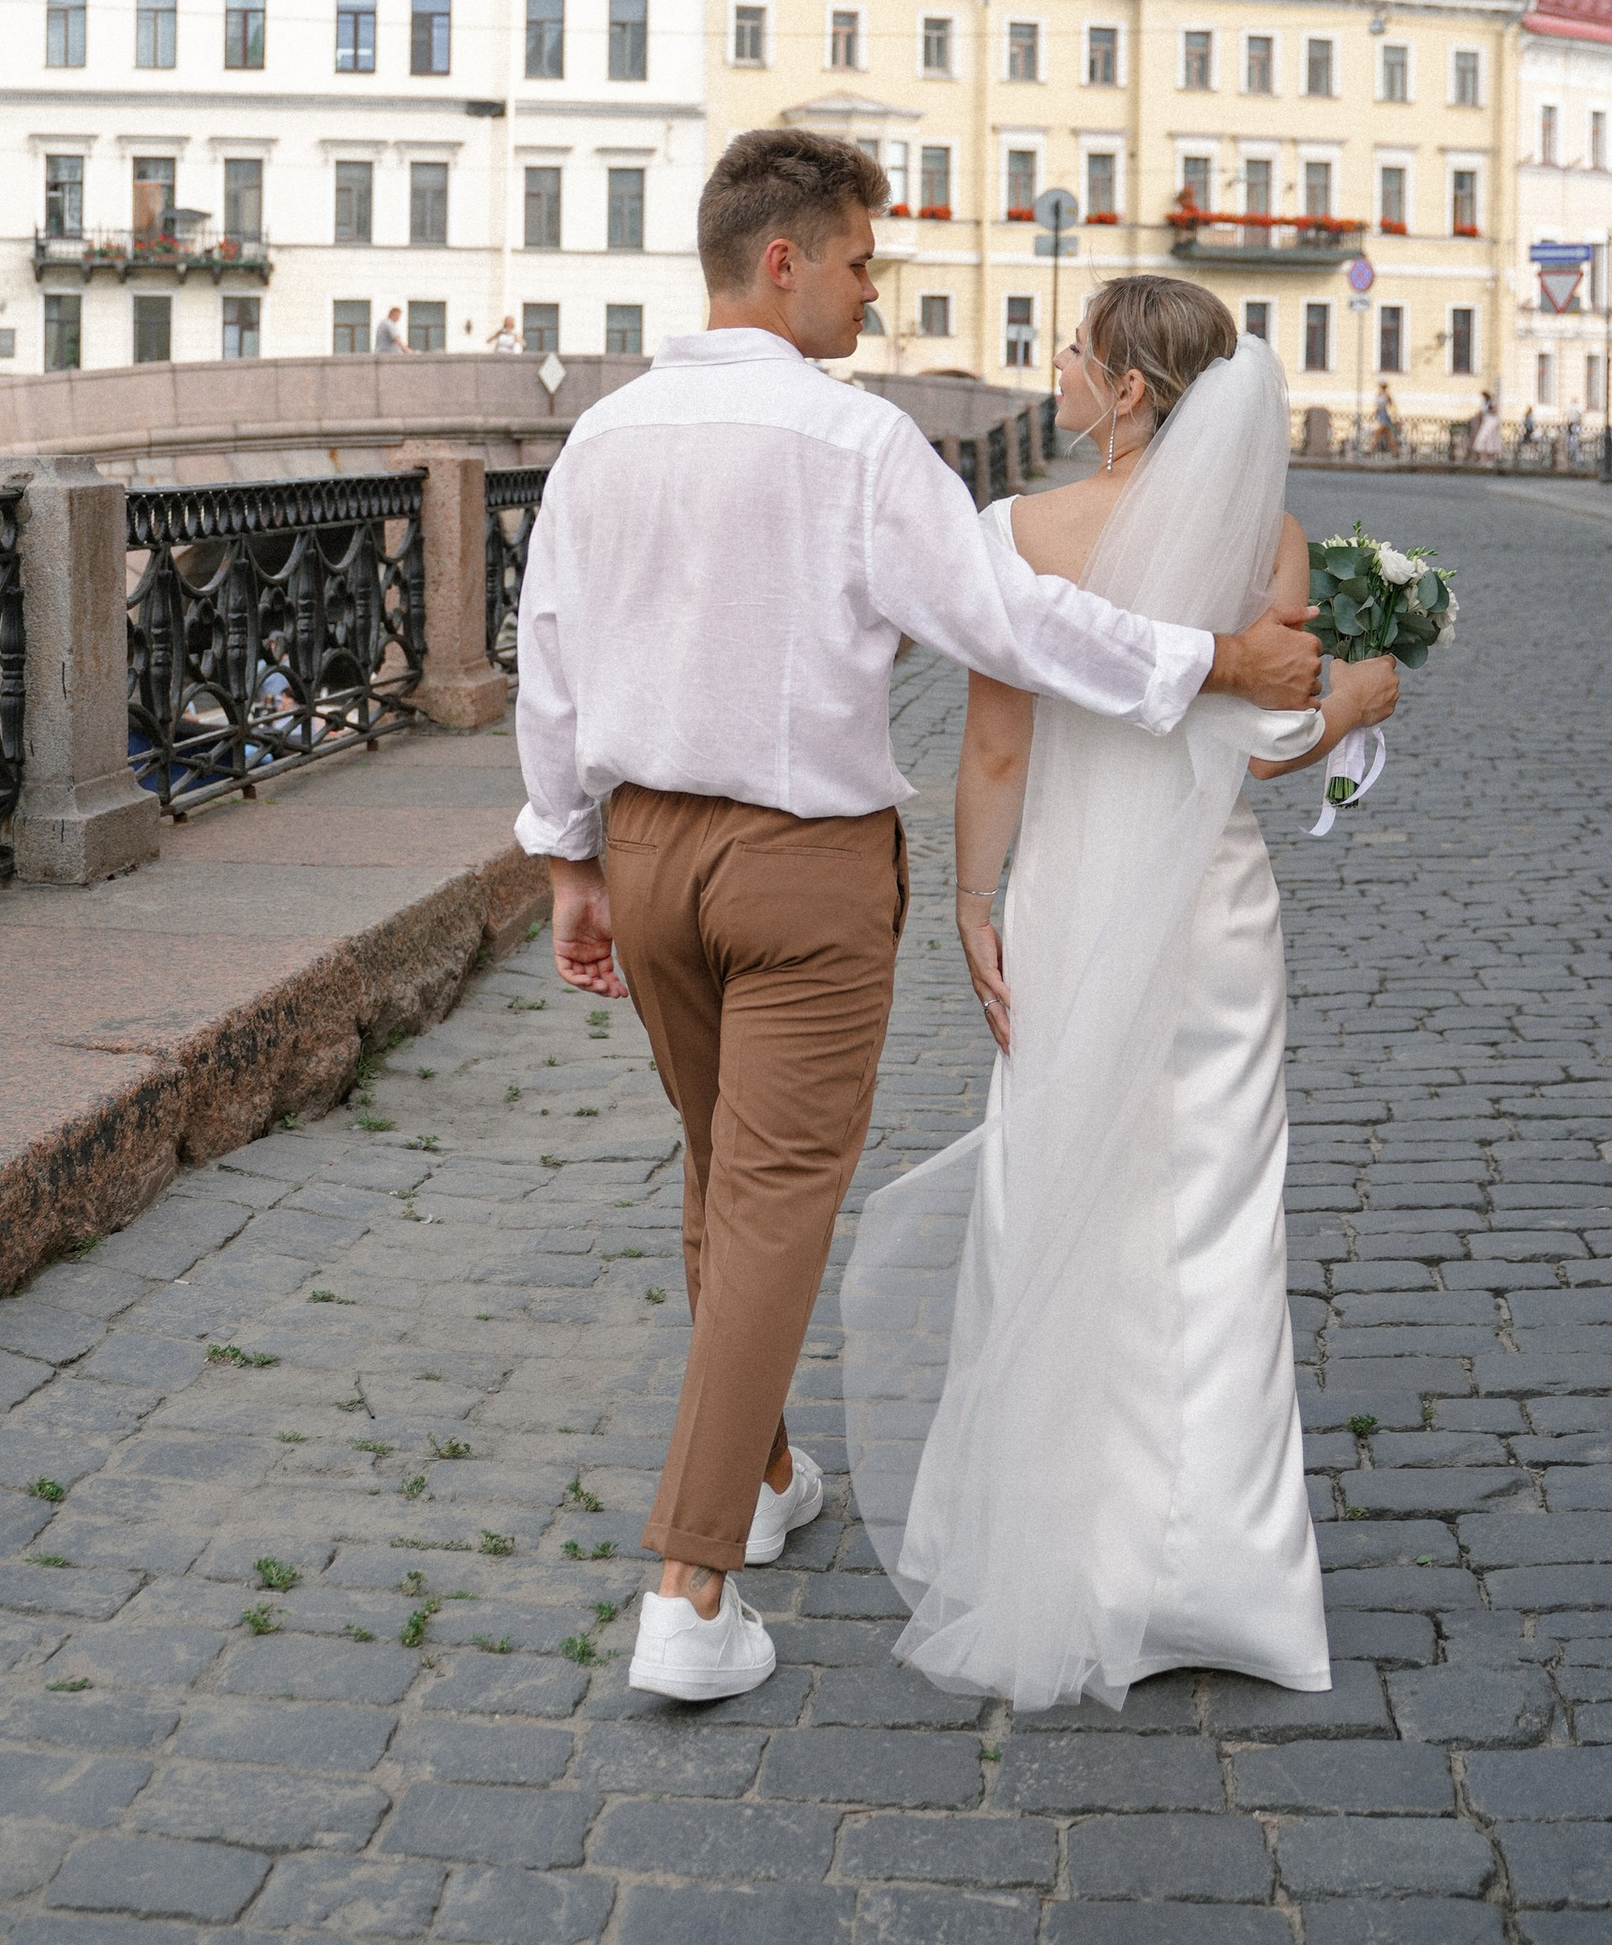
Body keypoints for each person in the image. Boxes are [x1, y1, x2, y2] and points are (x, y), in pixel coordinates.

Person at [514, 130, 1326, 1706]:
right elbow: (1001, 618)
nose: (875, 295)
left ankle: (756, 1485)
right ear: (783, 264)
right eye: (863, 263)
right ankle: (687, 1591)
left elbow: (550, 644)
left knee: (717, 1172)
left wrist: (568, 858)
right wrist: (1215, 665)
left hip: (654, 854)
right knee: (771, 1199)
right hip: (805, 863)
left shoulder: (604, 441)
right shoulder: (857, 444)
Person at [842, 279, 1397, 1713]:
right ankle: (1223, 1576)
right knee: (1215, 1220)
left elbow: (996, 753)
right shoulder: (1262, 541)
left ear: (1131, 392)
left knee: (1054, 1190)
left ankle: (1048, 1546)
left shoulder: (1016, 533)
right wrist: (1360, 697)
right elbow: (1272, 744)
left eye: (1077, 353)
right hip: (1210, 907)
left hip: (1071, 895)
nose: (1060, 369)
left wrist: (972, 902)